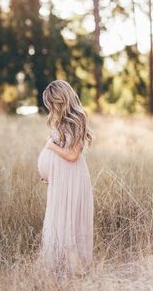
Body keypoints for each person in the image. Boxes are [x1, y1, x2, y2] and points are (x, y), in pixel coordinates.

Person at [37, 79, 94, 277]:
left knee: (70, 220)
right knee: (58, 218)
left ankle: (75, 270)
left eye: (53, 104)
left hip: (73, 178)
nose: (52, 108)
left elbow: (72, 156)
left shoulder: (79, 119)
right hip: (60, 179)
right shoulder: (60, 122)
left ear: (62, 100)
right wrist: (51, 173)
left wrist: (50, 146)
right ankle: (59, 268)